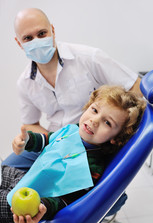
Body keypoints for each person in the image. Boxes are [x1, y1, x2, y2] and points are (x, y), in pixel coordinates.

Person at [2, 7, 142, 171]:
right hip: (57, 139)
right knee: (7, 168)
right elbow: (30, 123)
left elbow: (136, 87)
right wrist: (51, 141)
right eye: (28, 38)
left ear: (52, 30)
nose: (36, 41)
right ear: (19, 43)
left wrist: (120, 131)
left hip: (92, 140)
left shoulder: (89, 58)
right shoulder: (24, 82)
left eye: (41, 34)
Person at [0, 85, 146, 223]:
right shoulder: (73, 130)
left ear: (116, 138)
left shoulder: (90, 169)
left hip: (26, 210)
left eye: (107, 122)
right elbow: (50, 140)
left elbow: (66, 201)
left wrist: (42, 206)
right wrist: (28, 141)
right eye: (95, 110)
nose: (94, 121)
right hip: (27, 180)